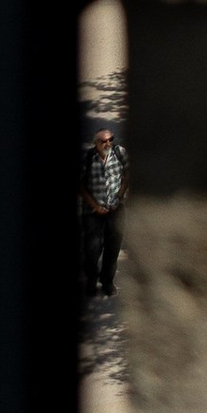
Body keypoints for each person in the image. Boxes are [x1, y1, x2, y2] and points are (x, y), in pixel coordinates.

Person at [81, 125, 125, 299]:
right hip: (93, 212)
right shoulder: (87, 158)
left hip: (115, 210)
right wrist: (94, 205)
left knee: (112, 249)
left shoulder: (120, 153)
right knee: (92, 250)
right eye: (103, 141)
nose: (107, 143)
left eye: (110, 140)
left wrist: (118, 197)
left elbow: (127, 176)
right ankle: (91, 282)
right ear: (96, 143)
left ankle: (107, 282)